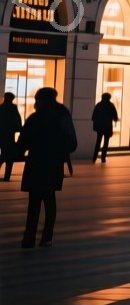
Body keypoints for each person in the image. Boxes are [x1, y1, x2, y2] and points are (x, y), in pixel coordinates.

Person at [17, 88, 76, 248]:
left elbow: (23, 142)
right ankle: (47, 237)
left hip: (36, 163)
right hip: (53, 164)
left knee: (34, 203)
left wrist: (14, 152)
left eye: (37, 100)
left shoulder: (35, 118)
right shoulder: (62, 115)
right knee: (49, 200)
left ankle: (29, 237)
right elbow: (72, 143)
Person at [87, 92, 118, 163]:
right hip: (108, 127)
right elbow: (115, 117)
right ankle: (103, 158)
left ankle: (94, 157)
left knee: (98, 142)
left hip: (100, 127)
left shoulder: (98, 105)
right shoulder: (111, 105)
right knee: (106, 143)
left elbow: (93, 117)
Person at [0, 92, 20, 182]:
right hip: (9, 135)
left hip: (2, 135)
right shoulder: (13, 108)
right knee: (8, 156)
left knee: (4, 155)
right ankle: (7, 176)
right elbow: (17, 119)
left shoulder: (1, 108)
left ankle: (7, 176)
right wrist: (19, 129)